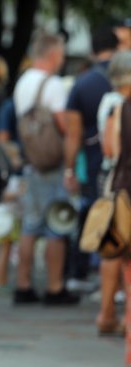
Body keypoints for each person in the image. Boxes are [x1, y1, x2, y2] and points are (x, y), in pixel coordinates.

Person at [12, 32, 80, 306]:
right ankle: (54, 287)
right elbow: (66, 127)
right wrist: (71, 167)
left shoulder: (23, 82)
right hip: (52, 164)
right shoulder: (53, 85)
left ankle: (23, 285)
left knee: (30, 225)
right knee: (56, 226)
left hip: (32, 162)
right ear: (52, 54)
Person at [63, 26, 119, 292]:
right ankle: (116, 292)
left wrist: (70, 169)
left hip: (94, 163)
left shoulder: (82, 83)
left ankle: (79, 271)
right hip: (122, 168)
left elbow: (73, 134)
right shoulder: (120, 85)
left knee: (90, 217)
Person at [94, 50, 131, 337]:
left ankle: (107, 313)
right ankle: (118, 317)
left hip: (111, 179)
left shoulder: (109, 101)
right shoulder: (121, 104)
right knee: (122, 253)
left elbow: (107, 149)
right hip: (121, 181)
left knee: (113, 249)